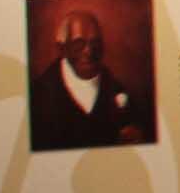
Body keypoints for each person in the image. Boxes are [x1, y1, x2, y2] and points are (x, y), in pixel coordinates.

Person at [27, 8, 146, 150]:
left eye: (95, 43)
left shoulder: (118, 92)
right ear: (62, 48)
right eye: (78, 44)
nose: (88, 51)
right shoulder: (40, 95)